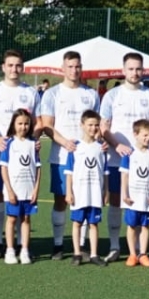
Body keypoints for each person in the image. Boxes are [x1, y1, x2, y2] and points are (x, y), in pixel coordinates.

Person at [99, 53, 149, 260]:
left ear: (143, 70)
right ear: (123, 70)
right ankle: (114, 246)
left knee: (141, 202)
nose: (135, 73)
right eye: (131, 69)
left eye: (138, 69)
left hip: (144, 161)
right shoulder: (112, 95)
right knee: (117, 200)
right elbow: (104, 127)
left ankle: (137, 250)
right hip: (117, 159)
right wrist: (116, 144)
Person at [0, 49, 41, 259]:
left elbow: (39, 123)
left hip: (23, 160)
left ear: (22, 67)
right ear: (3, 67)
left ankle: (21, 244)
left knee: (23, 197)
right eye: (10, 65)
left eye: (18, 65)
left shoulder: (31, 92)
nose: (14, 69)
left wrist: (34, 139)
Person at [38, 49, 100, 260]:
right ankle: (57, 244)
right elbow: (47, 125)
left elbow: (97, 125)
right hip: (61, 156)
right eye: (70, 66)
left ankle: (80, 245)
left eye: (77, 66)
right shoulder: (52, 94)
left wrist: (96, 144)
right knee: (61, 200)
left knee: (84, 199)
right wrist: (65, 142)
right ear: (63, 68)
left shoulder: (91, 94)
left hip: (87, 159)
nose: (74, 70)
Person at [0, 108, 40, 265]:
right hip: (13, 191)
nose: (23, 127)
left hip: (28, 190)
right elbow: (4, 168)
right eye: (20, 123)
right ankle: (10, 250)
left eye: (26, 124)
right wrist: (9, 190)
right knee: (11, 219)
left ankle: (24, 250)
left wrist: (36, 189)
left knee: (26, 219)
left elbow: (38, 167)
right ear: (14, 124)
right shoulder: (9, 143)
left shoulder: (33, 144)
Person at [67, 112, 109, 265]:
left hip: (95, 193)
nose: (93, 128)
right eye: (90, 125)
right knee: (77, 223)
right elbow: (69, 172)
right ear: (82, 125)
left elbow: (105, 172)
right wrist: (69, 192)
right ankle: (77, 253)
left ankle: (94, 255)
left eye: (96, 125)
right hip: (79, 193)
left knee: (93, 224)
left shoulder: (101, 148)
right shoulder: (75, 147)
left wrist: (106, 191)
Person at [119, 118, 149, 267]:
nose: (148, 138)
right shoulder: (129, 154)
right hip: (133, 198)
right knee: (131, 226)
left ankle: (143, 254)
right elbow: (124, 175)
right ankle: (132, 254)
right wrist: (124, 194)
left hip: (147, 198)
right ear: (135, 134)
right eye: (145, 135)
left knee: (145, 226)